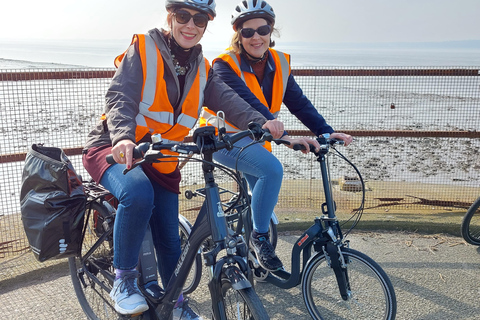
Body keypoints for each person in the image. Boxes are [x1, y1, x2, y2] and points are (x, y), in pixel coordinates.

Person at [82, 0, 284, 318]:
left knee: (171, 239)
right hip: (116, 148)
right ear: (170, 17)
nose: (190, 25)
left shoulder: (202, 69)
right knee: (137, 192)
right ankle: (123, 280)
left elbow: (228, 101)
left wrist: (260, 121)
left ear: (207, 24)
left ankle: (175, 304)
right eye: (183, 16)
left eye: (199, 19)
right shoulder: (145, 47)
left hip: (162, 159)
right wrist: (123, 135)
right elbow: (120, 93)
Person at [200, 0, 353, 272]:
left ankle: (251, 241)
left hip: (256, 137)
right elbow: (250, 105)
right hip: (223, 137)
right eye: (247, 32)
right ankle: (259, 238)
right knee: (271, 171)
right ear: (238, 35)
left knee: (259, 191)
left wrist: (325, 132)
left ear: (271, 31)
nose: (256, 37)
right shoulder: (225, 65)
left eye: (262, 29)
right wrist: (286, 138)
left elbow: (299, 103)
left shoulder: (280, 62)